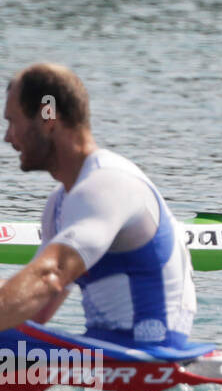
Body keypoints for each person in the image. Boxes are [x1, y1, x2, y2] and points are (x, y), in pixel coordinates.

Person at [0, 65, 197, 345]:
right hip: (101, 351)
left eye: (12, 121)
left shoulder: (107, 184)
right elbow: (36, 309)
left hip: (151, 357)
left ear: (48, 117)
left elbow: (48, 277)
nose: (7, 137)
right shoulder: (58, 204)